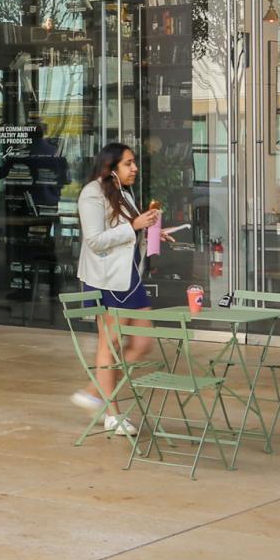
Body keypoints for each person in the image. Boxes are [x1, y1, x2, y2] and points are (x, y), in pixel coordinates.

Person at [70, 142, 173, 435]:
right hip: (107, 279)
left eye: (134, 162)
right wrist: (135, 225)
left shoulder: (123, 193)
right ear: (111, 167)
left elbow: (129, 229)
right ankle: (112, 413)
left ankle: (94, 391)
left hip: (129, 276)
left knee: (142, 343)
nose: (135, 168)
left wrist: (153, 231)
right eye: (128, 163)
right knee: (111, 344)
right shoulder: (92, 193)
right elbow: (95, 240)